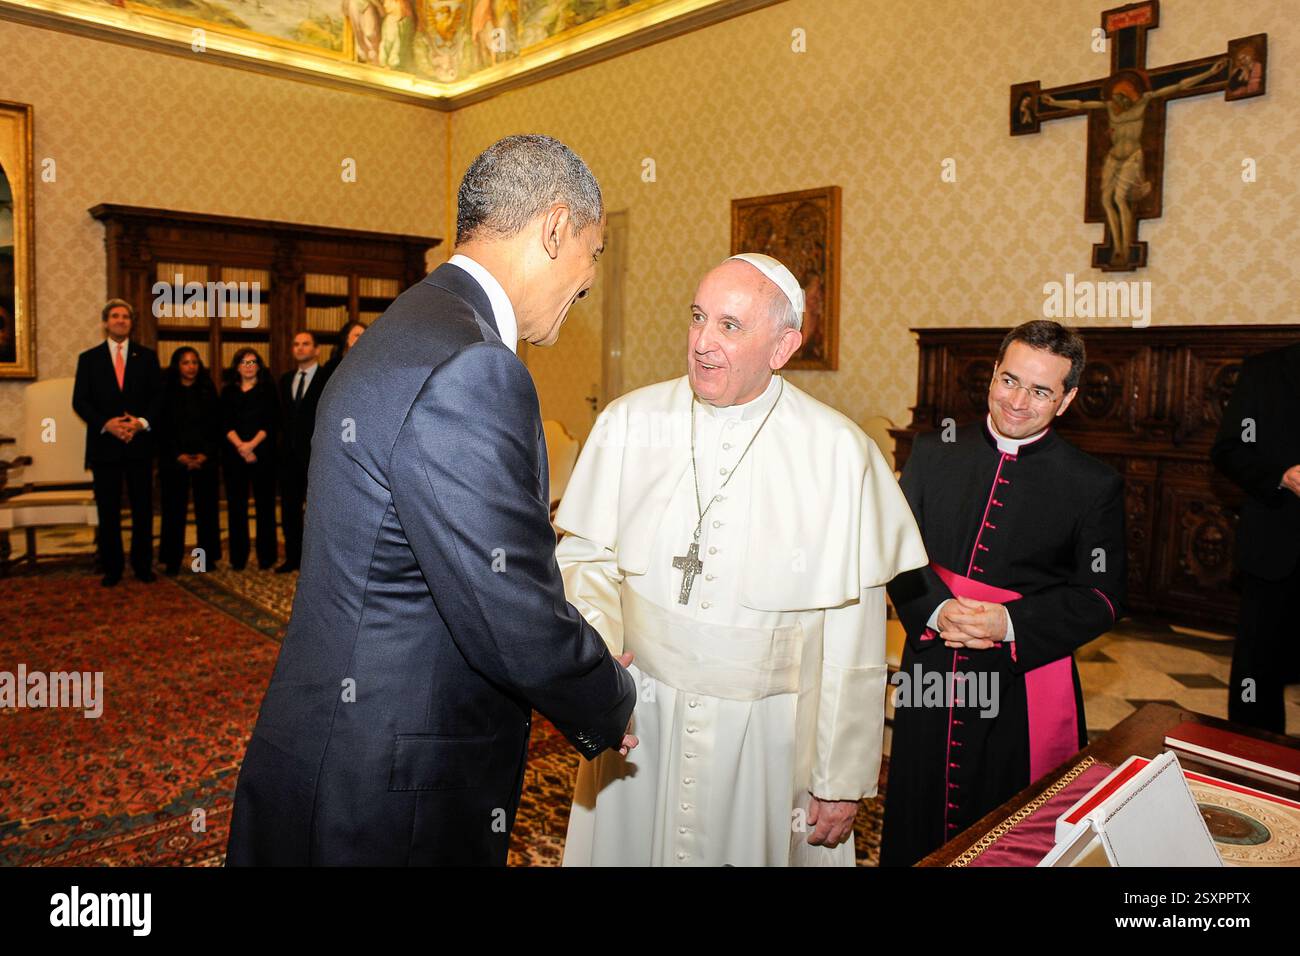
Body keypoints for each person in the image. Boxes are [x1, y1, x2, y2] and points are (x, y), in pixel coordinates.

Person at [227, 134, 637, 866]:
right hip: (396, 778)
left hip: (327, 732)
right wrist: (606, 694)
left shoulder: (407, 325)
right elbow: (506, 605)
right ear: (554, 228)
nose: (586, 283)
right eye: (593, 253)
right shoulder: (475, 364)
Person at [557, 253, 928, 867]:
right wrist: (600, 668)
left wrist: (840, 777)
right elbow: (586, 559)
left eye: (730, 326)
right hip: (641, 713)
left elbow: (852, 636)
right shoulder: (631, 422)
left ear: (783, 346)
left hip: (769, 735)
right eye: (698, 318)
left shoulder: (838, 453)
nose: (702, 343)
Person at [880, 320, 1127, 867]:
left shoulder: (1092, 483)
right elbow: (896, 554)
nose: (1018, 401)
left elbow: (1103, 596)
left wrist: (1008, 624)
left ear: (1066, 401)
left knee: (1010, 819)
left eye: (1040, 390)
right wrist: (936, 609)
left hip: (1023, 678)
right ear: (992, 375)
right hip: (932, 666)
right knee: (919, 807)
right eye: (1009, 380)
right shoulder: (932, 450)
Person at [1211, 341, 1300, 734]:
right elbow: (1231, 449)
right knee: (1257, 674)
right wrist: (1282, 476)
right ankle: (1252, 762)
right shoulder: (1265, 370)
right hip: (1277, 546)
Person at [71, 298, 161, 587]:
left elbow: (158, 399)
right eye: (115, 316)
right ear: (105, 323)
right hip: (105, 447)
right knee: (108, 511)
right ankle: (112, 568)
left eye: (126, 316)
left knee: (142, 510)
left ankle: (142, 565)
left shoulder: (147, 357)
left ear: (131, 323)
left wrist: (140, 423)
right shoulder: (89, 358)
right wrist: (106, 424)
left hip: (139, 445)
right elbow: (80, 401)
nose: (121, 320)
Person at [156, 347, 222, 575]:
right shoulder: (166, 391)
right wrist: (178, 455)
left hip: (205, 460)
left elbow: (216, 425)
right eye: (186, 362)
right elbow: (162, 428)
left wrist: (205, 454)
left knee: (206, 514)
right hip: (174, 460)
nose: (191, 367)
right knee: (173, 513)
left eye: (195, 362)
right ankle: (172, 560)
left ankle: (205, 560)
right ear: (177, 365)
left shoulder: (207, 389)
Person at [276, 331, 330, 574]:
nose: (300, 348)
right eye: (296, 344)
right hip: (287, 458)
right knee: (289, 510)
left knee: (318, 511)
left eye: (305, 344)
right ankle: (292, 557)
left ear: (317, 350)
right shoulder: (286, 379)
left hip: (316, 456)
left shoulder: (327, 378)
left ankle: (317, 562)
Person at [220, 348, 278, 572]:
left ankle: (267, 557)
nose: (248, 366)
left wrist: (251, 445)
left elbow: (271, 423)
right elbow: (224, 423)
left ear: (259, 366)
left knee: (265, 507)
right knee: (236, 508)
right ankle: (238, 558)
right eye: (244, 362)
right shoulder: (227, 393)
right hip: (234, 456)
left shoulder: (267, 391)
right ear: (236, 366)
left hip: (262, 455)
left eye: (253, 362)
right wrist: (241, 447)